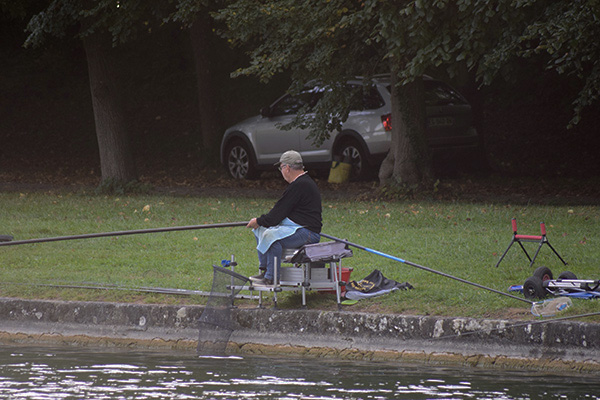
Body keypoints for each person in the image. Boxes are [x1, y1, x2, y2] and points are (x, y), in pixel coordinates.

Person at [246, 150, 322, 285]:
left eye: (281, 168)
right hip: (297, 227)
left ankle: (271, 278)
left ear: (286, 168)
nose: (281, 171)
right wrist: (260, 223)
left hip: (308, 232)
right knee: (260, 230)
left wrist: (258, 220)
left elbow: (277, 214)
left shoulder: (300, 185)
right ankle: (263, 270)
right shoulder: (300, 183)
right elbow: (280, 212)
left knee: (272, 237)